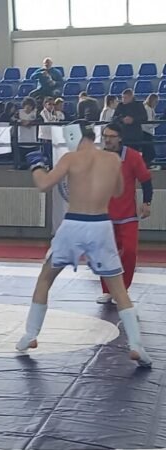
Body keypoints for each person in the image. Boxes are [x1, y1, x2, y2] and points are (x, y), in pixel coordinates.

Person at [18, 122, 151, 367]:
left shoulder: (70, 159)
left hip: (74, 224)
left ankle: (30, 335)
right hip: (101, 225)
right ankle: (136, 345)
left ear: (74, 137)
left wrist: (36, 166)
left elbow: (43, 184)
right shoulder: (113, 160)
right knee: (119, 290)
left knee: (45, 278)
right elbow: (118, 191)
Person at [96, 122, 153, 304]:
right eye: (105, 136)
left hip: (128, 215)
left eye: (111, 136)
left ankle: (122, 289)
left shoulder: (133, 156)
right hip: (104, 215)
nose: (108, 140)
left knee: (129, 252)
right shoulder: (99, 157)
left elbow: (146, 180)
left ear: (120, 138)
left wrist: (147, 203)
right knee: (105, 253)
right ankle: (107, 290)